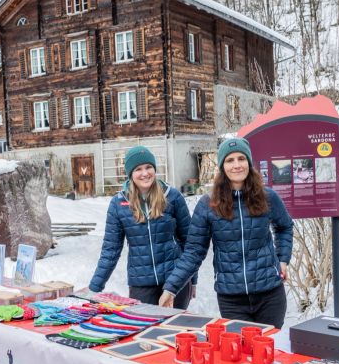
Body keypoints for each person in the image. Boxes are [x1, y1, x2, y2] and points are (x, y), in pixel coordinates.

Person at [159, 137, 293, 327]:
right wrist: (171, 288)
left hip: (270, 294)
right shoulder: (208, 205)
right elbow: (193, 252)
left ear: (249, 162)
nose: (236, 165)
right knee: (238, 353)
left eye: (241, 158)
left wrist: (283, 259)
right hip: (232, 299)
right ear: (222, 167)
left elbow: (285, 226)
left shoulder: (267, 196)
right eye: (230, 160)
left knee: (267, 351)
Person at [90, 146, 195, 308]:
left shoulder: (173, 196)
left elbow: (189, 242)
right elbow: (110, 251)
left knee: (175, 329)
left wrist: (192, 280)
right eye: (138, 169)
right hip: (141, 283)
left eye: (148, 167)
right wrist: (94, 289)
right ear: (130, 174)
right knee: (144, 330)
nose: (145, 173)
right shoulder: (118, 204)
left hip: (176, 280)